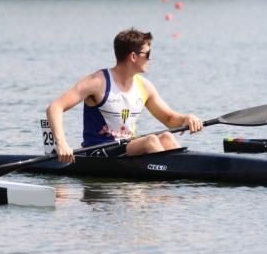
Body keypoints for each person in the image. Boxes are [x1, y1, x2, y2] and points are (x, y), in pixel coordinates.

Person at [46, 28, 203, 163]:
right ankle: (169, 184)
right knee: (150, 141)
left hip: (127, 147)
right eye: (147, 54)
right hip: (98, 151)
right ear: (133, 57)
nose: (150, 58)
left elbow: (169, 119)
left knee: (167, 137)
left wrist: (186, 119)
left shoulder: (145, 86)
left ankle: (179, 182)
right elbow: (55, 108)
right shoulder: (97, 82)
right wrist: (62, 144)